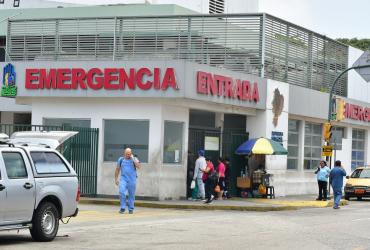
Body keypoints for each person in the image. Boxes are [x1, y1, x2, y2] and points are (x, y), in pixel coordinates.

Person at [114, 148, 141, 214]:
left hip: (132, 179)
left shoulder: (135, 159)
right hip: (123, 179)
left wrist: (133, 159)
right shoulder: (121, 159)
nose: (128, 155)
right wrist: (116, 179)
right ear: (124, 153)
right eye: (126, 154)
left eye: (129, 154)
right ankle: (122, 207)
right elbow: (117, 169)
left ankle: (131, 208)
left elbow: (139, 166)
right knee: (122, 192)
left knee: (131, 195)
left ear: (131, 153)